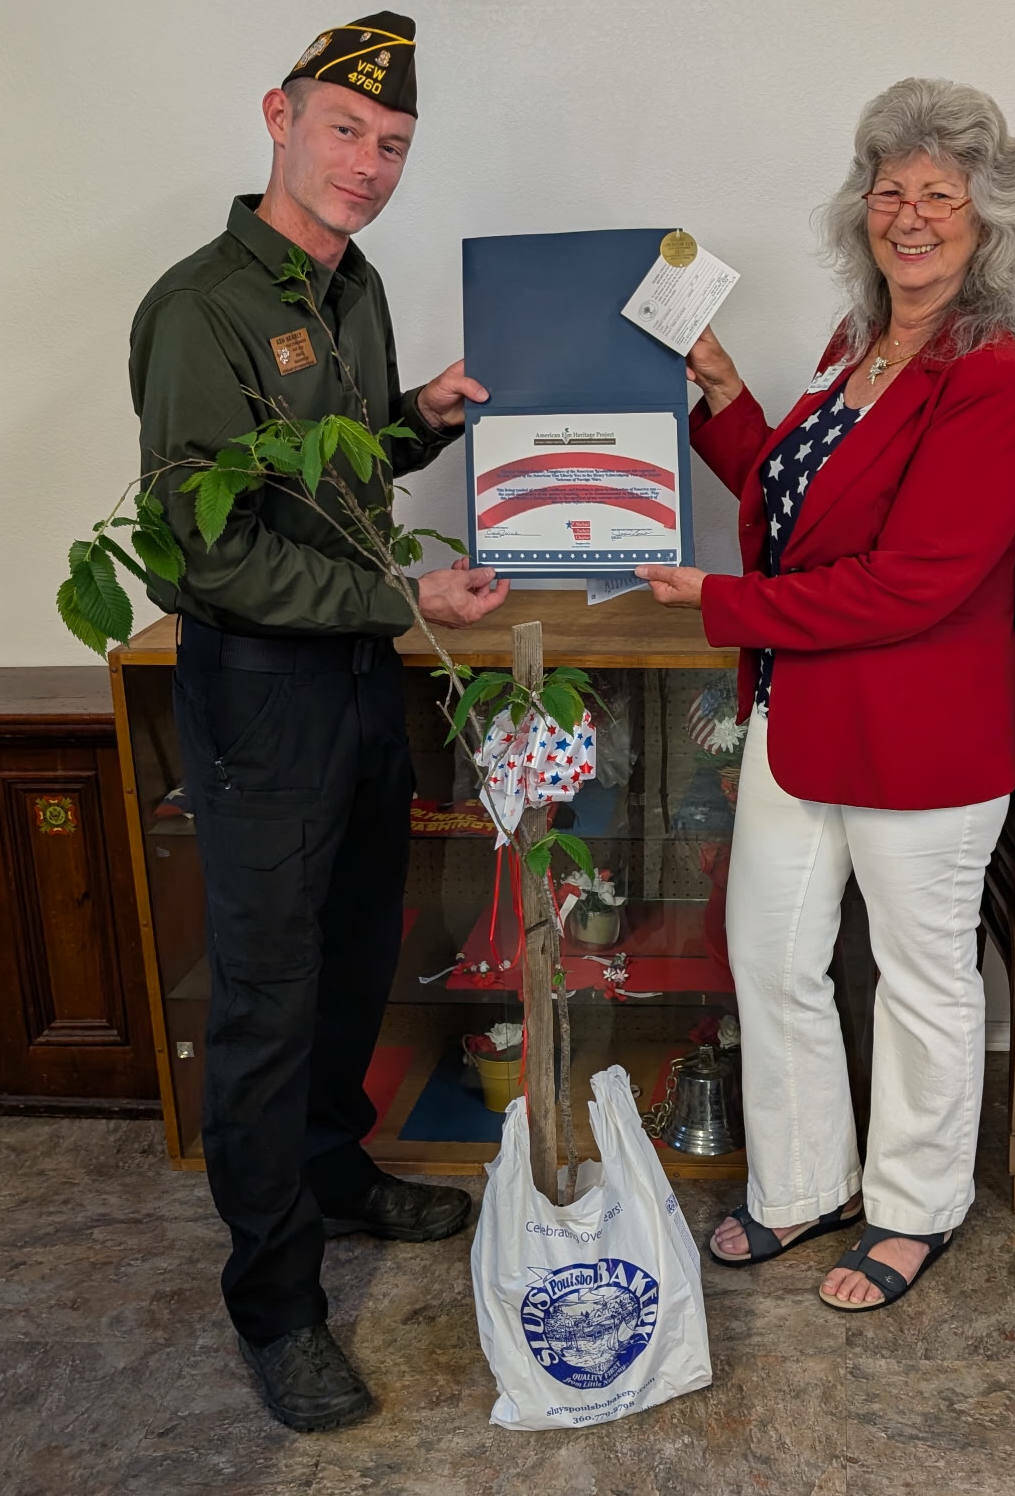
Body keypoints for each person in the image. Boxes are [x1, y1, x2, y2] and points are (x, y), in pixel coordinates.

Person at [129, 12, 507, 1431]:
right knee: (268, 1003)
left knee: (356, 953)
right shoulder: (202, 306)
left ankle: (337, 1172)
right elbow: (199, 554)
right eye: (345, 131)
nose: (368, 163)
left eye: (393, 144)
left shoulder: (354, 288)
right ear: (277, 118)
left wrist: (423, 414)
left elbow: (331, 472)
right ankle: (275, 1302)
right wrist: (402, 605)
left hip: (357, 678)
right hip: (264, 693)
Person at [637, 77, 1015, 1312]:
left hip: (924, 736)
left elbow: (915, 582)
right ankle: (802, 1179)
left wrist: (717, 603)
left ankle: (915, 1205)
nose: (911, 215)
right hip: (802, 714)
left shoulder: (992, 371)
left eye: (941, 194)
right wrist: (719, 391)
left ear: (987, 221)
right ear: (860, 209)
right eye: (891, 190)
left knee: (924, 984)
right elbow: (795, 501)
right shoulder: (852, 342)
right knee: (768, 958)